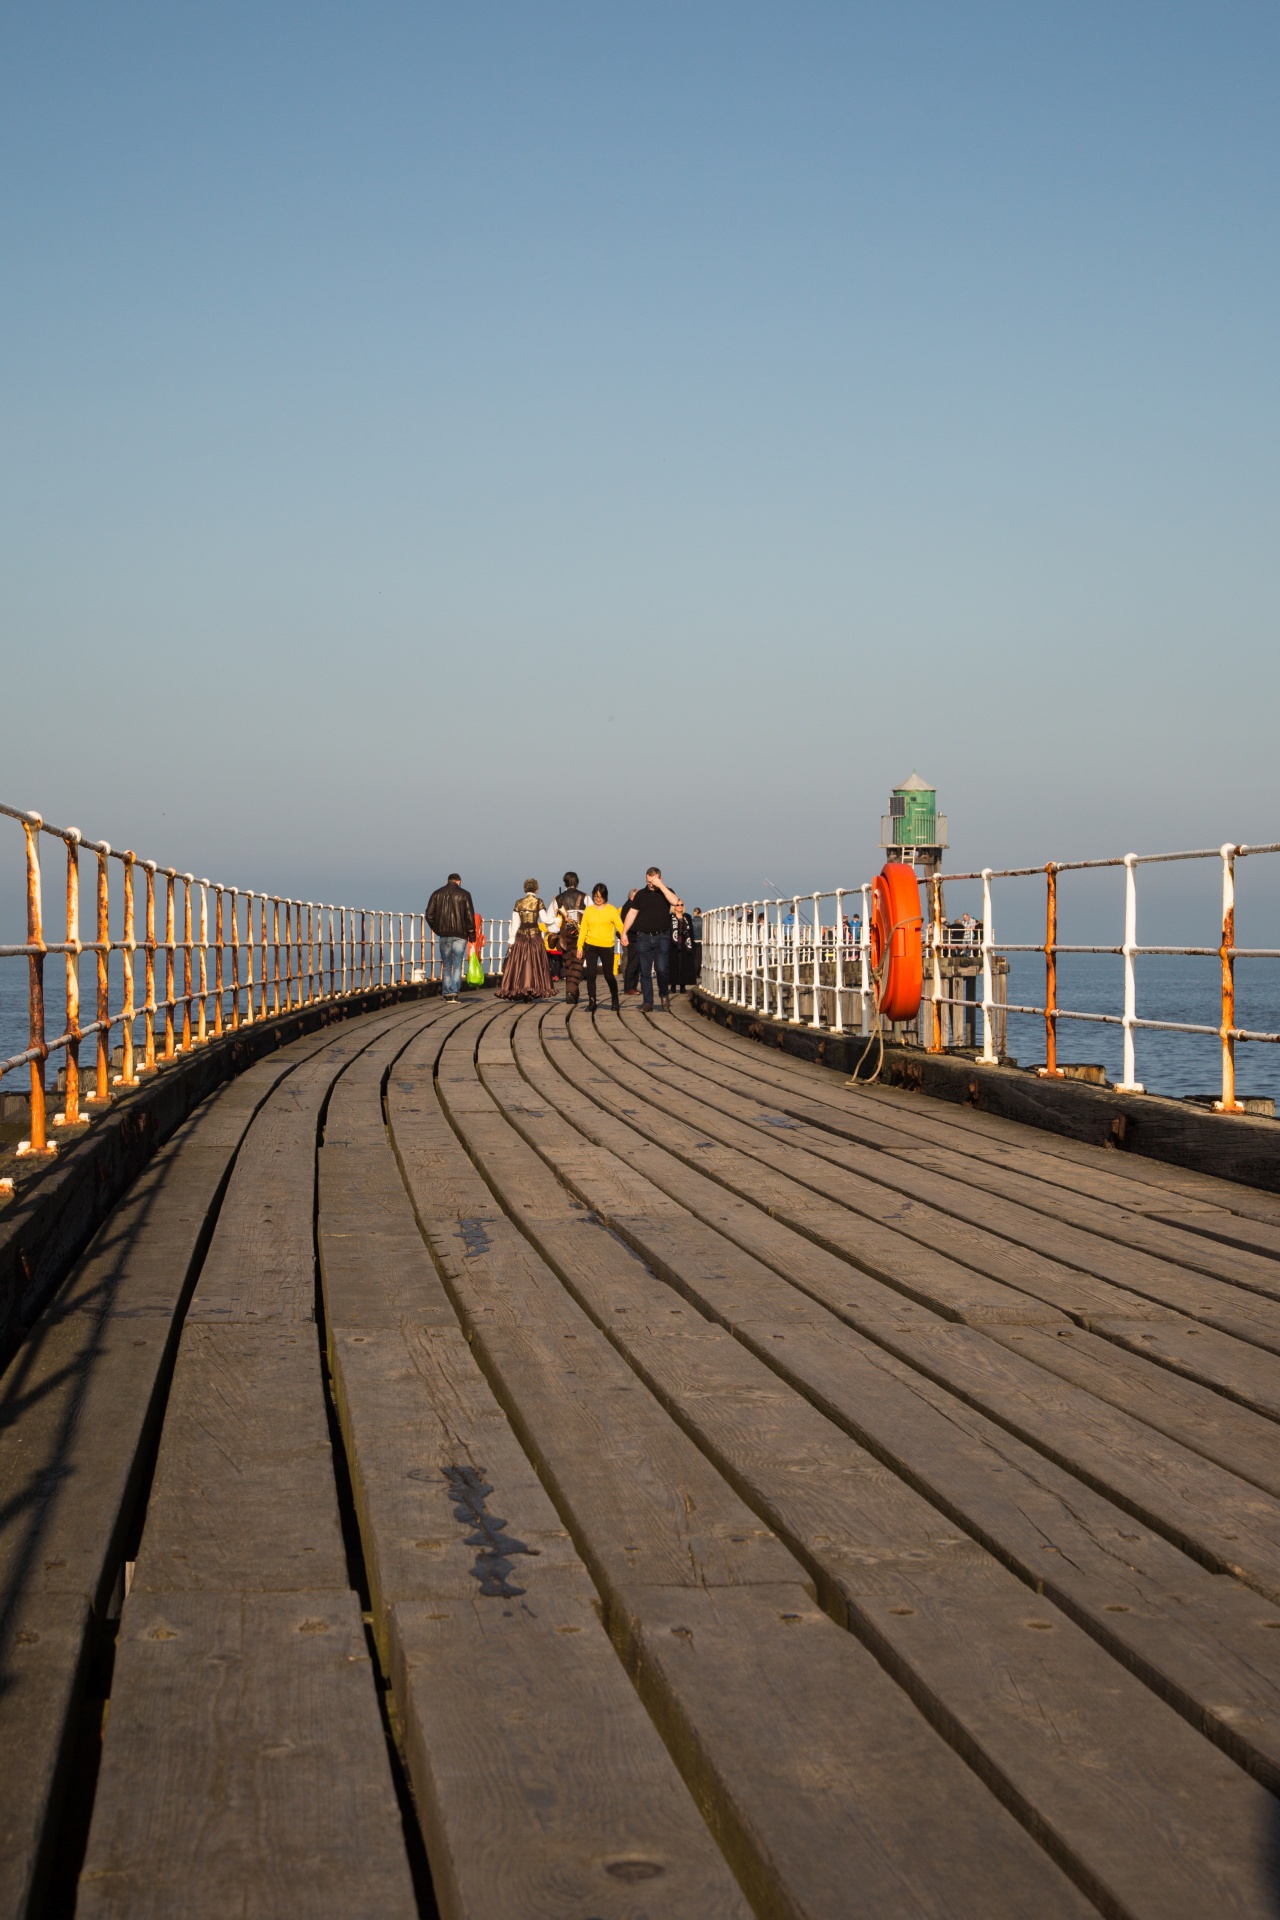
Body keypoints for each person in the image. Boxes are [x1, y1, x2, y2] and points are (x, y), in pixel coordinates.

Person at [623, 866, 680, 1012]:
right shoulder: (641, 895)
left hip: (662, 936)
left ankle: (663, 994)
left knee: (662, 970)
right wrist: (624, 933)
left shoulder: (667, 892)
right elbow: (632, 914)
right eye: (648, 881)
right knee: (645, 972)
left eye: (652, 881)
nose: (650, 884)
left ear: (659, 878)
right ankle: (647, 1002)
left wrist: (661, 885)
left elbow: (675, 902)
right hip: (644, 937)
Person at [497, 880, 554, 1000]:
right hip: (535, 937)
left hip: (521, 936)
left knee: (520, 964)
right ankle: (535, 988)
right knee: (536, 963)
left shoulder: (518, 903)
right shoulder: (539, 902)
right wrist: (557, 920)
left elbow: (515, 923)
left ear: (525, 889)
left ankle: (520, 987)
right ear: (536, 889)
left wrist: (511, 940)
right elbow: (545, 919)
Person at [426, 871, 477, 1003]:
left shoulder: (437, 894)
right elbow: (469, 916)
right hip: (460, 935)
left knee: (447, 964)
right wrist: (472, 935)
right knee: (458, 963)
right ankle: (454, 993)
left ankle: (446, 993)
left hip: (444, 935)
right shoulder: (465, 894)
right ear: (459, 882)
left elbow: (429, 915)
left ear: (447, 880)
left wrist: (437, 929)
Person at [577, 883, 626, 1012]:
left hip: (607, 945)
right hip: (591, 945)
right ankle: (592, 1001)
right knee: (591, 974)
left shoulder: (611, 910)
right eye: (595, 896)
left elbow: (620, 926)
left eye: (600, 896)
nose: (598, 899)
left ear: (605, 896)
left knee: (609, 975)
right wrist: (579, 947)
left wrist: (624, 937)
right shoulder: (588, 910)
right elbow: (583, 930)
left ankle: (614, 998)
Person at [555, 872, 586, 1005]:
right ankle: (571, 991)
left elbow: (553, 921)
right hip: (581, 933)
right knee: (578, 963)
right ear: (577, 882)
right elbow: (590, 914)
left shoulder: (558, 898)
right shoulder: (585, 897)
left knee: (568, 963)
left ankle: (572, 992)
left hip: (564, 934)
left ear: (565, 882)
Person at [669, 898, 694, 991]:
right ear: (674, 907)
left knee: (684, 965)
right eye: (678, 905)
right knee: (673, 965)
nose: (680, 907)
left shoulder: (687, 917)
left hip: (685, 944)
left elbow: (691, 931)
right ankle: (673, 985)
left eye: (681, 905)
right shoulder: (670, 917)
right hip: (673, 945)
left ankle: (683, 986)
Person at [621, 887, 642, 994]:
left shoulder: (631, 906)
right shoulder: (629, 907)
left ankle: (633, 986)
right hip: (633, 938)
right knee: (632, 963)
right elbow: (629, 923)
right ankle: (629, 987)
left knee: (636, 964)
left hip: (635, 938)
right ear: (633, 897)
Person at [690, 906, 704, 983]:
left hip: (693, 941)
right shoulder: (703, 921)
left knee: (694, 957)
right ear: (700, 913)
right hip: (700, 940)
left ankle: (693, 973)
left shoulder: (691, 921)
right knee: (699, 958)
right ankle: (697, 973)